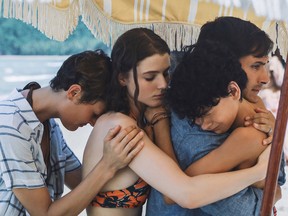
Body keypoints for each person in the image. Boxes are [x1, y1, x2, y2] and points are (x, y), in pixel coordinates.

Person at [82, 28, 271, 216]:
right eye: (150, 77)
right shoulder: (121, 128)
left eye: (166, 74)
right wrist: (259, 173)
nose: (163, 85)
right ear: (122, 78)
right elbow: (183, 193)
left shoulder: (148, 118)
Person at [146, 17, 286, 216]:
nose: (265, 79)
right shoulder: (199, 125)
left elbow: (278, 175)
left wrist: (274, 134)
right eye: (255, 66)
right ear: (224, 62)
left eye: (264, 65)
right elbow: (245, 209)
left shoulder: (248, 109)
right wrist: (269, 185)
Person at [0, 50, 145, 216]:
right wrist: (108, 165)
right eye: (95, 114)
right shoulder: (11, 125)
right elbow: (45, 213)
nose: (94, 124)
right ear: (74, 93)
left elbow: (83, 183)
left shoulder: (48, 126)